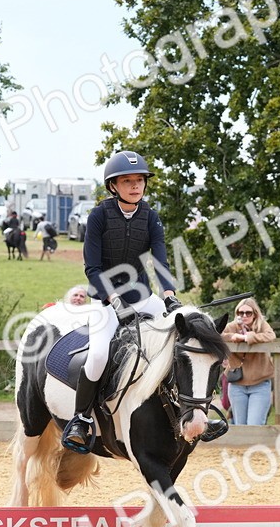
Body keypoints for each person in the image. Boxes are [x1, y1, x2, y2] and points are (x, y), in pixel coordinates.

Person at [61, 151, 188, 452]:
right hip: (105, 301)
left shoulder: (151, 217)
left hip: (143, 298)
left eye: (139, 180)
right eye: (127, 181)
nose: (135, 186)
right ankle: (81, 419)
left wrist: (169, 296)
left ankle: (191, 409)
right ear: (113, 186)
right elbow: (92, 268)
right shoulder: (99, 216)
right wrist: (112, 297)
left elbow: (159, 263)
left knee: (181, 336)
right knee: (98, 356)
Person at [222, 297, 277, 425]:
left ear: (254, 314)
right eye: (241, 313)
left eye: (248, 313)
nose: (244, 315)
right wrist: (232, 336)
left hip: (260, 383)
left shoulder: (261, 325)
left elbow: (271, 336)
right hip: (237, 383)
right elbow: (217, 334)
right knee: (239, 424)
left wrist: (247, 337)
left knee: (255, 424)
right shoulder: (232, 326)